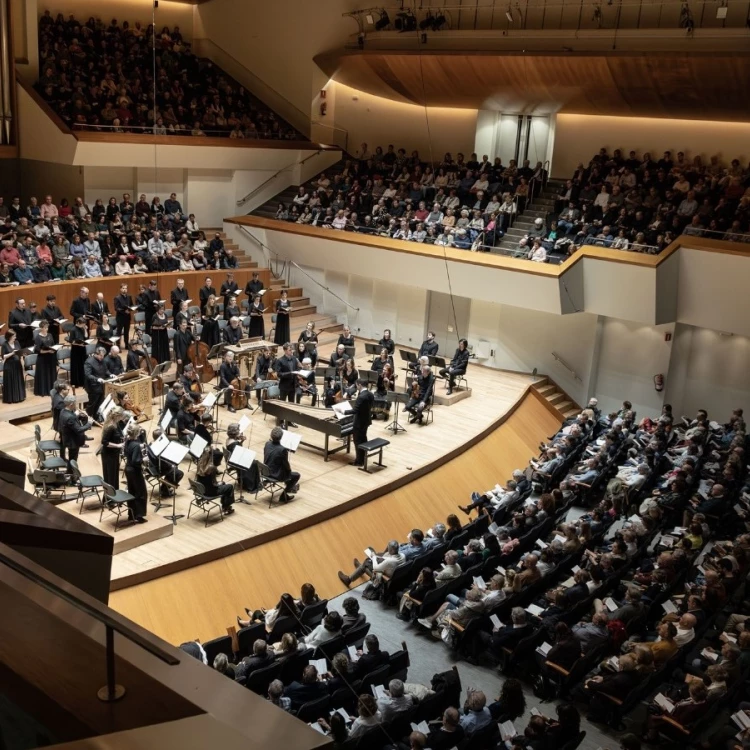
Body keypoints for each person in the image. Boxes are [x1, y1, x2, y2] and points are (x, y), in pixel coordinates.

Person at [263, 426, 300, 502]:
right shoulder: (282, 449)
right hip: (275, 475)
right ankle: (284, 495)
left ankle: (291, 486)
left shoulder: (267, 444)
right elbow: (286, 464)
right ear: (281, 437)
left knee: (286, 472)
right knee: (296, 475)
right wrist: (289, 470)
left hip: (265, 472)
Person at [123, 423, 148, 523]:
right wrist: (144, 459)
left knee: (132, 491)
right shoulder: (136, 445)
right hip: (134, 471)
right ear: (137, 433)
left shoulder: (127, 441)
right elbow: (136, 461)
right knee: (141, 493)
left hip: (128, 469)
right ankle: (139, 516)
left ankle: (131, 514)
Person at [59, 394, 92, 467]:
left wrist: (75, 415)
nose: (76, 405)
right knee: (73, 459)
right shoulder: (70, 417)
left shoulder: (63, 411)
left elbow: (69, 423)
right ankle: (72, 475)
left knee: (72, 458)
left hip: (67, 438)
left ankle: (71, 472)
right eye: (75, 403)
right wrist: (89, 423)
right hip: (73, 441)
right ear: (71, 404)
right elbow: (79, 430)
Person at [349, 377, 375, 466]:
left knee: (357, 441)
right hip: (366, 421)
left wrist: (343, 411)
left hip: (359, 422)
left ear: (359, 385)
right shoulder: (370, 394)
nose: (356, 387)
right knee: (363, 438)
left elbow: (355, 410)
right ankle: (363, 458)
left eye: (357, 385)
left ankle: (359, 461)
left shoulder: (361, 397)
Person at [100, 407, 125, 489]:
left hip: (113, 454)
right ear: (117, 416)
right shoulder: (111, 426)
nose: (123, 418)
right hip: (109, 455)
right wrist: (118, 445)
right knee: (110, 477)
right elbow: (104, 442)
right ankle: (110, 498)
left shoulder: (115, 423)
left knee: (114, 475)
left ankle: (114, 494)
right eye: (122, 416)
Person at [83, 347, 109, 419]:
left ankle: (96, 417)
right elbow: (88, 375)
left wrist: (110, 374)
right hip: (92, 386)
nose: (102, 357)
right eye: (101, 355)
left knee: (100, 402)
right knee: (92, 404)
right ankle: (87, 419)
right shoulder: (89, 362)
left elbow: (105, 370)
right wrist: (97, 379)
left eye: (103, 356)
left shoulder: (102, 360)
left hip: (101, 386)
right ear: (96, 354)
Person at [33, 321, 57, 396]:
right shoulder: (38, 337)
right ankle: (44, 391)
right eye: (45, 328)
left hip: (51, 358)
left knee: (51, 373)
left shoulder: (50, 335)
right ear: (41, 328)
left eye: (47, 327)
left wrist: (53, 349)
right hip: (42, 359)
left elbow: (53, 345)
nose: (47, 329)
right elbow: (38, 350)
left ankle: (52, 389)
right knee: (44, 375)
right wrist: (48, 351)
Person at [1, 329, 26, 403]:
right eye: (14, 336)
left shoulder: (17, 342)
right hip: (9, 366)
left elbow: (20, 351)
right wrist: (12, 353)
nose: (15, 337)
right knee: (11, 382)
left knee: (18, 380)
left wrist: (23, 353)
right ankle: (11, 398)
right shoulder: (4, 344)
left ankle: (19, 397)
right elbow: (3, 356)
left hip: (17, 365)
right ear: (9, 337)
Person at [114, 283, 134, 349]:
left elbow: (131, 305)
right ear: (120, 289)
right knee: (118, 333)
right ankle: (118, 346)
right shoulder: (117, 298)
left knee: (126, 332)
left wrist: (130, 309)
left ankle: (126, 345)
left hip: (127, 317)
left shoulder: (129, 297)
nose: (124, 290)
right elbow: (116, 308)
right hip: (120, 318)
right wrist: (124, 311)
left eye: (125, 288)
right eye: (123, 288)